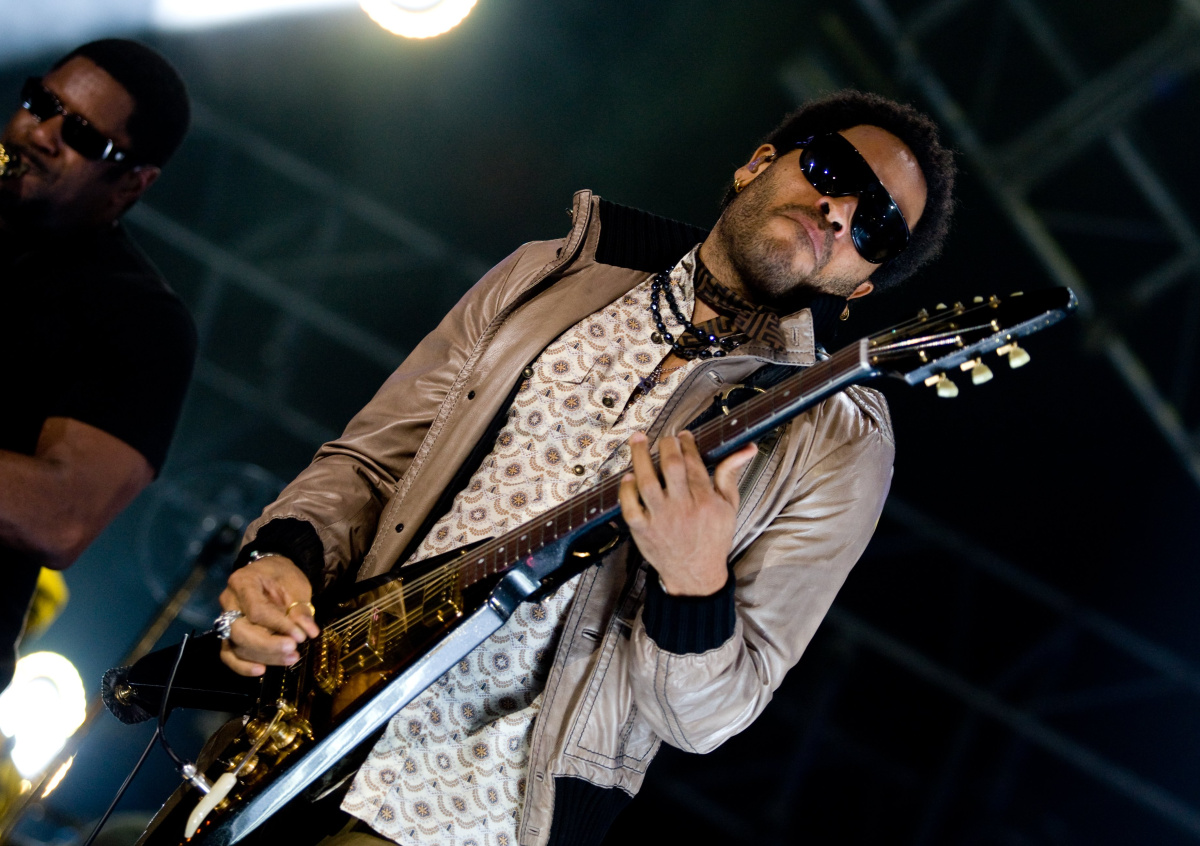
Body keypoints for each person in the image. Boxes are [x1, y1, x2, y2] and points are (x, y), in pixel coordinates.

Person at [215, 90, 955, 846]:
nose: (839, 211)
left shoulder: (838, 438)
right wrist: (280, 558)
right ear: (757, 164)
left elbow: (708, 718)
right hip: (298, 736)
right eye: (835, 169)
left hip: (473, 815)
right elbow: (372, 462)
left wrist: (694, 583)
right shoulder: (548, 273)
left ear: (863, 284)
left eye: (876, 225)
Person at [0, 39, 196, 690]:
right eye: (40, 104)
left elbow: (61, 516)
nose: (41, 133)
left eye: (82, 135)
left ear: (132, 183)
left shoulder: (141, 319)